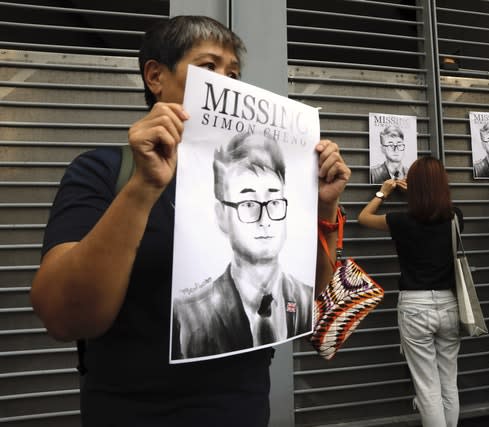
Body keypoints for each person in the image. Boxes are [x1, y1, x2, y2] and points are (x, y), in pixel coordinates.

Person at [29, 15, 350, 426]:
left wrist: (321, 208)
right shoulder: (103, 171)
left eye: (234, 73)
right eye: (209, 68)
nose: (227, 82)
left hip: (245, 409)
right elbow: (64, 316)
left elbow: (313, 296)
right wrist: (144, 187)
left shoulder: (259, 180)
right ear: (155, 77)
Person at [172, 133, 313, 359]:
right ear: (221, 215)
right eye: (248, 204)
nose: (264, 219)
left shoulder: (306, 299)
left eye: (275, 202)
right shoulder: (189, 316)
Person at [358, 156, 462, 427]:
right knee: (448, 381)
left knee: (427, 387)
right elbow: (433, 214)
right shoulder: (455, 217)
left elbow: (364, 217)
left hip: (415, 307)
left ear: (412, 186)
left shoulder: (401, 220)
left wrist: (384, 191)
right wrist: (419, 194)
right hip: (450, 304)